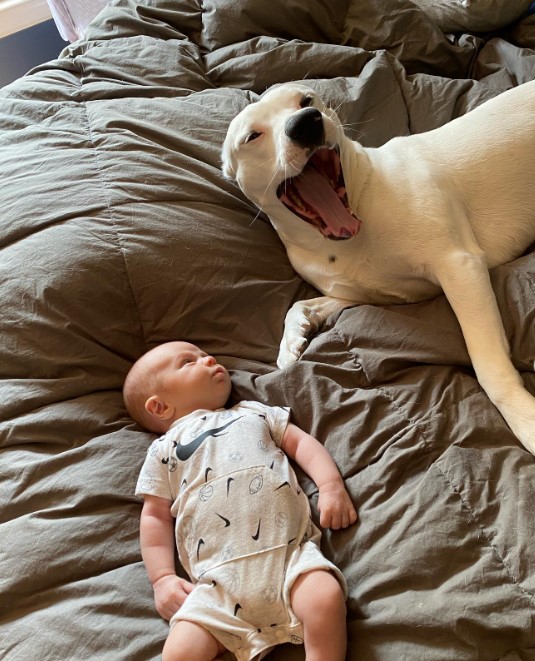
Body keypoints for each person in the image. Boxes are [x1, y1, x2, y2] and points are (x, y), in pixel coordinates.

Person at [124, 341, 357, 661]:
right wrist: (162, 579)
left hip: (288, 560)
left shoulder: (253, 412)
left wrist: (330, 486)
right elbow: (154, 516)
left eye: (206, 354)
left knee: (325, 598)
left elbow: (302, 445)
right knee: (178, 652)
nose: (208, 359)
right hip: (216, 587)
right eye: (188, 362)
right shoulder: (163, 450)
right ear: (160, 407)